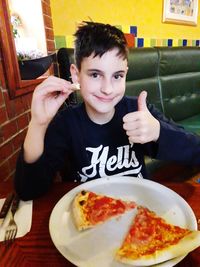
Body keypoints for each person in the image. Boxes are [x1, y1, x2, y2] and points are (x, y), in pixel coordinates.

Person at [14, 21, 200, 200]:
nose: (108, 89)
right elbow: (28, 190)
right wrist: (38, 124)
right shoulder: (66, 124)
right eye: (95, 75)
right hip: (89, 215)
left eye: (117, 76)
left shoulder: (137, 112)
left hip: (140, 214)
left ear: (125, 73)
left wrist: (158, 131)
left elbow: (195, 151)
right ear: (76, 74)